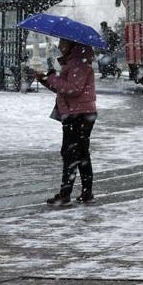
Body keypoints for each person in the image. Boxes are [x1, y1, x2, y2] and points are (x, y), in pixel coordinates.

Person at [36, 38, 98, 207]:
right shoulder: (75, 61)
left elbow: (72, 89)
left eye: (64, 43)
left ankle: (65, 194)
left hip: (78, 114)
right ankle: (86, 193)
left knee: (70, 154)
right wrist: (46, 79)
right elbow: (63, 89)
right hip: (79, 113)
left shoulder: (78, 62)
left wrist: (52, 77)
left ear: (73, 44)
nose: (60, 46)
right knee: (81, 154)